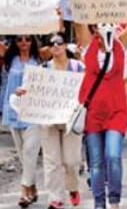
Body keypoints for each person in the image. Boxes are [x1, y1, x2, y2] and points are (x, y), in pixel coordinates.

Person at [74, 22, 127, 209]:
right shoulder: (88, 45)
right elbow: (78, 18)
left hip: (116, 111)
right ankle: (99, 203)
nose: (107, 27)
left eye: (111, 24)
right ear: (95, 28)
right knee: (97, 162)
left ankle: (114, 200)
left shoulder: (120, 45)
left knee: (113, 156)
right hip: (93, 113)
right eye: (102, 24)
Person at [40, 33, 85, 209]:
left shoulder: (78, 67)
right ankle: (55, 197)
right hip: (49, 119)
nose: (55, 46)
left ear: (65, 45)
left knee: (71, 160)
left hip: (71, 119)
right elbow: (33, 90)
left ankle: (73, 187)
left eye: (59, 42)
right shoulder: (44, 69)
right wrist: (24, 91)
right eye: (51, 44)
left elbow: (87, 87)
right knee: (52, 160)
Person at [4, 32, 42, 207]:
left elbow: (59, 40)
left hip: (34, 112)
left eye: (27, 38)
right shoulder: (10, 58)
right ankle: (32, 187)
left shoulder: (40, 57)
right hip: (14, 111)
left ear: (33, 40)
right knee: (22, 154)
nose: (24, 42)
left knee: (29, 151)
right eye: (19, 39)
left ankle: (24, 191)